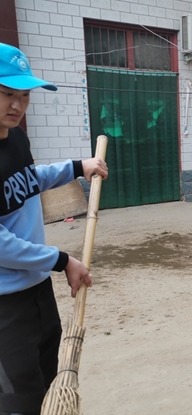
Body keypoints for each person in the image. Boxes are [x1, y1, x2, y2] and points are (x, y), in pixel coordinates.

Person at [0, 43, 108, 415]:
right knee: (18, 399)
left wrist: (77, 167)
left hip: (36, 290)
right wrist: (61, 261)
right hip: (5, 305)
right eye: (7, 94)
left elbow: (28, 179)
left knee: (48, 381)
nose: (17, 105)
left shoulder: (15, 137)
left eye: (25, 96)